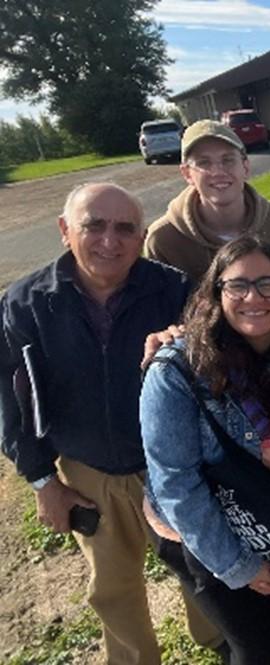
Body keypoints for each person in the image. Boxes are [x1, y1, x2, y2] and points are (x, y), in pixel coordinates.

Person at [0, 183, 223, 664]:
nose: (109, 240)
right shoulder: (24, 304)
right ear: (64, 231)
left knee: (198, 566)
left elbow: (215, 373)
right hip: (88, 473)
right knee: (113, 585)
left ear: (142, 236)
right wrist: (44, 482)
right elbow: (12, 404)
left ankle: (218, 638)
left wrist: (186, 340)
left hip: (171, 469)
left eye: (125, 228)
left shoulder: (174, 290)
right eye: (93, 225)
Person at [140, 236, 270, 664]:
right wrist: (239, 567)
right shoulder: (175, 372)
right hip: (206, 533)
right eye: (237, 285)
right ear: (215, 294)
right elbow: (177, 485)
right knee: (258, 649)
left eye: (269, 284)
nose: (254, 297)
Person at [145, 119, 270, 282]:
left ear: (246, 167)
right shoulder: (163, 239)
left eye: (227, 160)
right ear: (187, 174)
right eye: (204, 163)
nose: (218, 171)